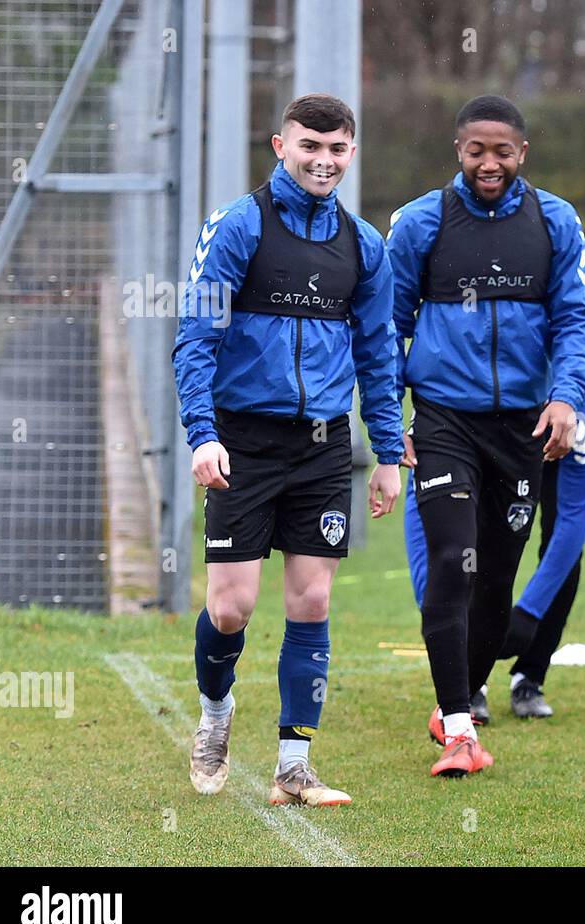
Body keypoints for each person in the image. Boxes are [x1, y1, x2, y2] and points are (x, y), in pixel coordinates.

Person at [172, 93, 403, 807]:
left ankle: (294, 768)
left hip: (324, 446)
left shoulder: (365, 244)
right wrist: (203, 435)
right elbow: (195, 338)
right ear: (281, 146)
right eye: (310, 146)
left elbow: (378, 354)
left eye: (336, 150)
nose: (323, 161)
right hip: (242, 442)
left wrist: (388, 451)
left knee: (311, 600)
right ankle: (215, 715)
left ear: (351, 154)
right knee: (233, 607)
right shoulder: (240, 225)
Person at [387, 95, 585, 777]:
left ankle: (461, 699)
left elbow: (574, 321)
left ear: (522, 154)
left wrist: (567, 396)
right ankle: (457, 729)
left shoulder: (555, 222)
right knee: (454, 560)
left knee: (495, 585)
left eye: (502, 151)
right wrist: (391, 417)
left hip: (523, 430)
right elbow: (384, 327)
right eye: (477, 149)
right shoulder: (421, 224)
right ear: (458, 151)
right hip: (446, 418)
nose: (489, 162)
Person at [402, 357, 585, 721]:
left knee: (561, 552)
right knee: (467, 537)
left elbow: (573, 520)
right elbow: (423, 511)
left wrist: (529, 613)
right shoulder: (462, 405)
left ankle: (530, 674)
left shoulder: (576, 418)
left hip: (557, 419)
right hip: (481, 413)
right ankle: (470, 679)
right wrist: (432, 598)